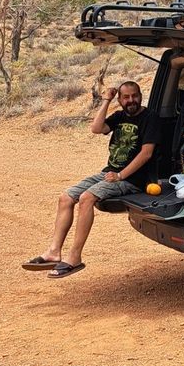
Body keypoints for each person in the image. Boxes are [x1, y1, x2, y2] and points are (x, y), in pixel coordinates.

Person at [21, 80, 160, 278]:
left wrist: (120, 175)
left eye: (135, 96)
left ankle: (74, 257)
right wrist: (105, 101)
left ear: (141, 95)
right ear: (120, 99)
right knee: (66, 197)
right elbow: (96, 128)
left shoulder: (150, 118)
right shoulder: (120, 116)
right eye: (126, 97)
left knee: (87, 198)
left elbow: (146, 154)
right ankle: (53, 252)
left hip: (132, 179)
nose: (131, 101)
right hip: (109, 173)